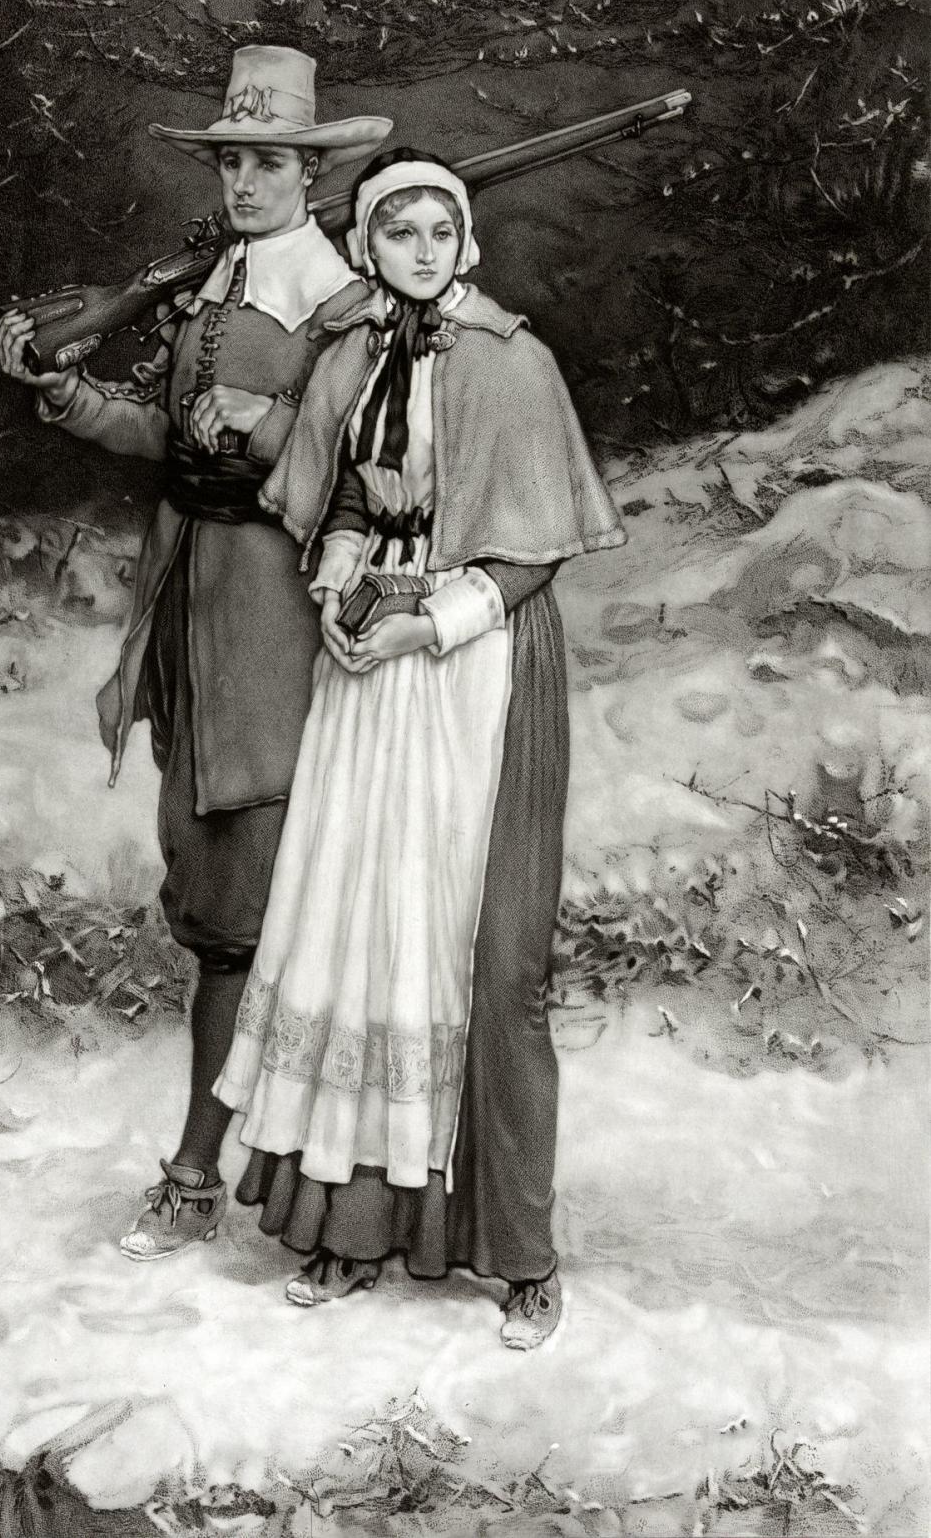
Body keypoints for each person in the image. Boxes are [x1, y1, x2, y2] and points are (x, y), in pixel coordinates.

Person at [213, 148, 627, 1348]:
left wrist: (422, 624)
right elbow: (343, 491)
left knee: (480, 958)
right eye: (399, 233)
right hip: (371, 677)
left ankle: (517, 1254)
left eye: (441, 230)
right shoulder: (350, 355)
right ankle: (352, 1229)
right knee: (359, 934)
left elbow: (527, 553)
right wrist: (341, 574)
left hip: (474, 670)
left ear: (468, 242)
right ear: (369, 248)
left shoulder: (513, 361)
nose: (425, 250)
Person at [0, 47, 391, 1260]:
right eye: (232, 160)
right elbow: (170, 437)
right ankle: (231, 1161)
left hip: (282, 613)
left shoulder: (348, 302)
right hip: (190, 598)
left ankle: (213, 1169)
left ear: (309, 173)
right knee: (212, 886)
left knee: (258, 898)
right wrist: (64, 392)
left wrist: (272, 434)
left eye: (268, 161)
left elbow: (375, 480)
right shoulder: (213, 281)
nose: (246, 180)